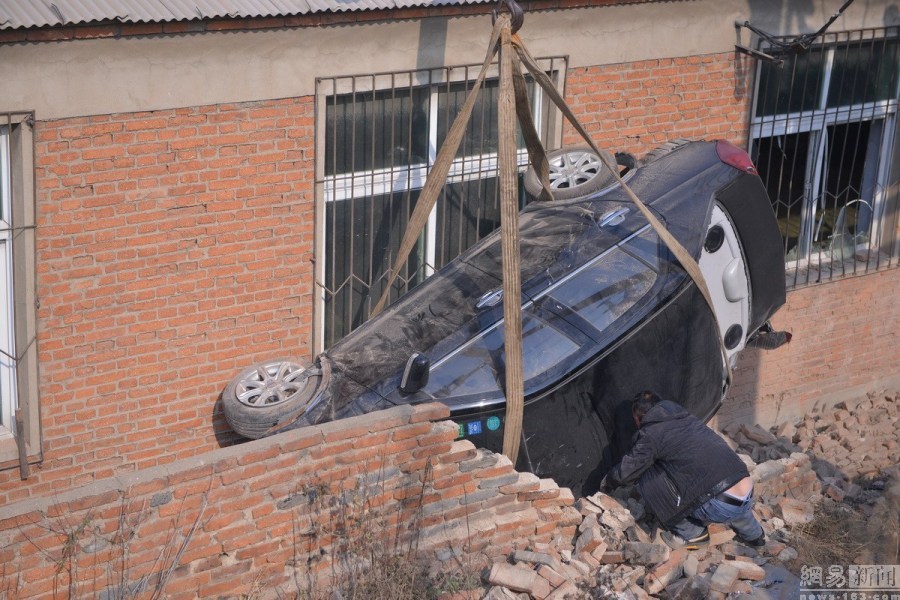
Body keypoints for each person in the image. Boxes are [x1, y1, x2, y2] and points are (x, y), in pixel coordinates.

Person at [601, 390, 765, 550]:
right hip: (746, 490)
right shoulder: (689, 419)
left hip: (720, 505)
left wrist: (609, 481)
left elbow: (631, 468)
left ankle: (693, 534)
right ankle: (755, 536)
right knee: (717, 480)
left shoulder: (651, 434)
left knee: (647, 476)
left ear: (639, 417)